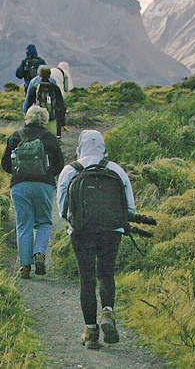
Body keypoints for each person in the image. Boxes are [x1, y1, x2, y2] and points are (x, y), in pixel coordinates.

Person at [56, 130, 136, 350]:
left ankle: (91, 333)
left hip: (82, 230)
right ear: (103, 146)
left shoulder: (70, 170)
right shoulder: (115, 169)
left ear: (80, 146)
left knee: (87, 278)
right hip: (112, 230)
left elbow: (62, 207)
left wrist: (73, 221)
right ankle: (108, 311)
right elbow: (129, 207)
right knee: (106, 273)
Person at [1, 105, 65, 279]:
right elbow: (59, 165)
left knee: (24, 224)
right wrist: (47, 174)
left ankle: (24, 265)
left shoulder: (15, 137)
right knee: (43, 222)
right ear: (44, 120)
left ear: (27, 118)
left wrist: (18, 172)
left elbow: (5, 164)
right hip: (44, 185)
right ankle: (40, 253)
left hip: (19, 185)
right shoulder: (50, 138)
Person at [22, 66, 66, 137]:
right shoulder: (55, 88)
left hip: (38, 121)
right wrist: (62, 123)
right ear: (49, 75)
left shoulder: (35, 88)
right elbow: (61, 106)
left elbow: (28, 104)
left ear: (40, 75)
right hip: (52, 119)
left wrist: (27, 120)